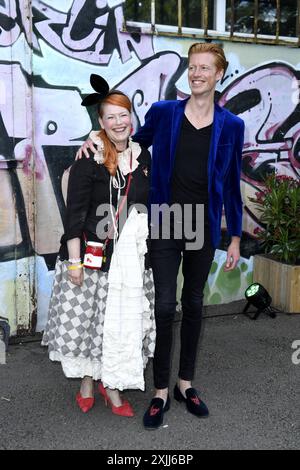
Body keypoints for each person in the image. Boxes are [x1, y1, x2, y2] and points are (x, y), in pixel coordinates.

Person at [76, 43, 245, 429]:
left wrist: (234, 237)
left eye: (205, 68)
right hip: (167, 220)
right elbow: (128, 142)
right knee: (166, 306)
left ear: (219, 75)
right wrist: (95, 136)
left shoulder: (232, 126)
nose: (197, 73)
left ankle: (185, 383)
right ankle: (160, 391)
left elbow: (233, 186)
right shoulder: (165, 113)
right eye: (192, 67)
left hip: (203, 223)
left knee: (195, 303)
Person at [42, 75, 155, 416]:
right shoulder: (88, 159)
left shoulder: (142, 157)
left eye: (124, 115)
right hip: (90, 259)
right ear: (101, 123)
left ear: (131, 117)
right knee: (90, 325)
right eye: (111, 117)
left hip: (130, 262)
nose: (119, 122)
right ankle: (88, 382)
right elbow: (74, 216)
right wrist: (74, 263)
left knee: (122, 325)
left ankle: (113, 385)